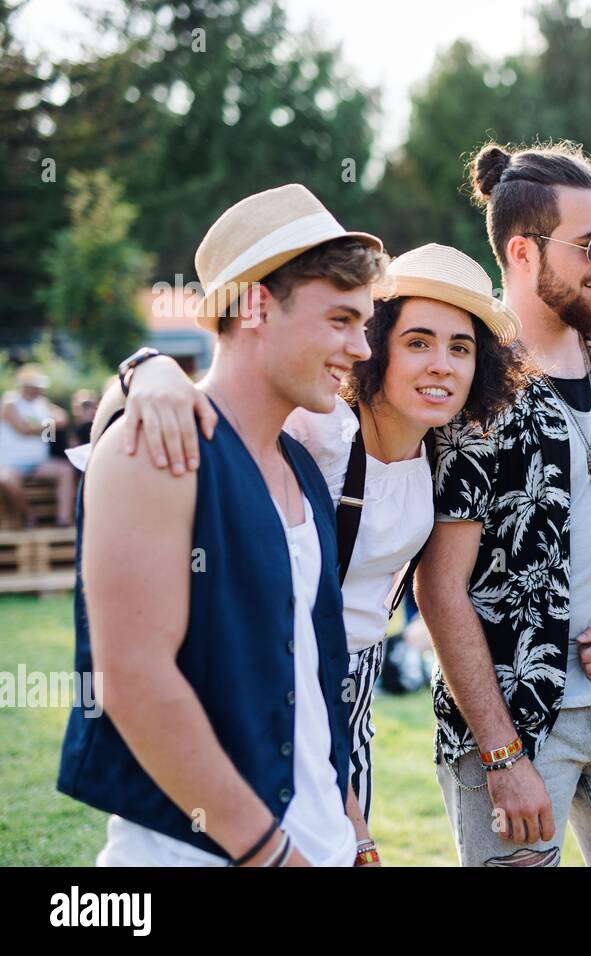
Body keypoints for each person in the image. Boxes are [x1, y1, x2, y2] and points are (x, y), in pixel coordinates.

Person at [86, 242, 529, 832]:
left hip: (359, 691)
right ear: (377, 348)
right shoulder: (320, 431)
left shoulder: (440, 449)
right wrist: (148, 370)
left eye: (461, 348)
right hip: (281, 684)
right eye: (418, 342)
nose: (442, 364)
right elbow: (199, 409)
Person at [58, 183, 387, 866]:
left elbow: (314, 681)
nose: (361, 348)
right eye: (341, 320)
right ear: (256, 304)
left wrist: (354, 833)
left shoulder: (300, 465)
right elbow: (135, 681)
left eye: (364, 323)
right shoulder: (153, 450)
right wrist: (271, 854)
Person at [420, 140, 591, 867]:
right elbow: (440, 588)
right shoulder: (470, 386)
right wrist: (501, 754)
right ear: (523, 251)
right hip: (513, 724)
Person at [0, 364, 76, 526]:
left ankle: (63, 519)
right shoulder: (10, 402)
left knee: (66, 470)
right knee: (6, 480)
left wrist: (45, 424)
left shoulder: (42, 403)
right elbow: (22, 429)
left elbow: (62, 417)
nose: (39, 390)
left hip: (38, 463)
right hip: (12, 465)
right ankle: (29, 514)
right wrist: (49, 424)